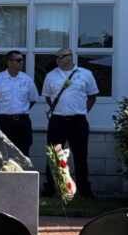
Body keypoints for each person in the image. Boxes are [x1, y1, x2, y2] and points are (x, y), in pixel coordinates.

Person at [41, 48, 99, 197]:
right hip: (58, 120)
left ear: (71, 57)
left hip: (78, 121)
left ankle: (84, 190)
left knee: (80, 155)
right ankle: (50, 188)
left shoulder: (85, 74)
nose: (58, 60)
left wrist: (82, 111)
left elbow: (92, 96)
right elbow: (48, 98)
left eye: (62, 57)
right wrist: (59, 108)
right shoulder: (51, 76)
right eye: (56, 57)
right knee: (54, 155)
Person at [0, 50, 38, 156]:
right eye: (18, 60)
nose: (21, 62)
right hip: (4, 121)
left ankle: (23, 172)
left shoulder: (27, 79)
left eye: (22, 60)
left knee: (24, 150)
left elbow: (33, 99)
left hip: (23, 121)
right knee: (3, 151)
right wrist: (0, 112)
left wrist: (20, 110)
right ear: (9, 62)